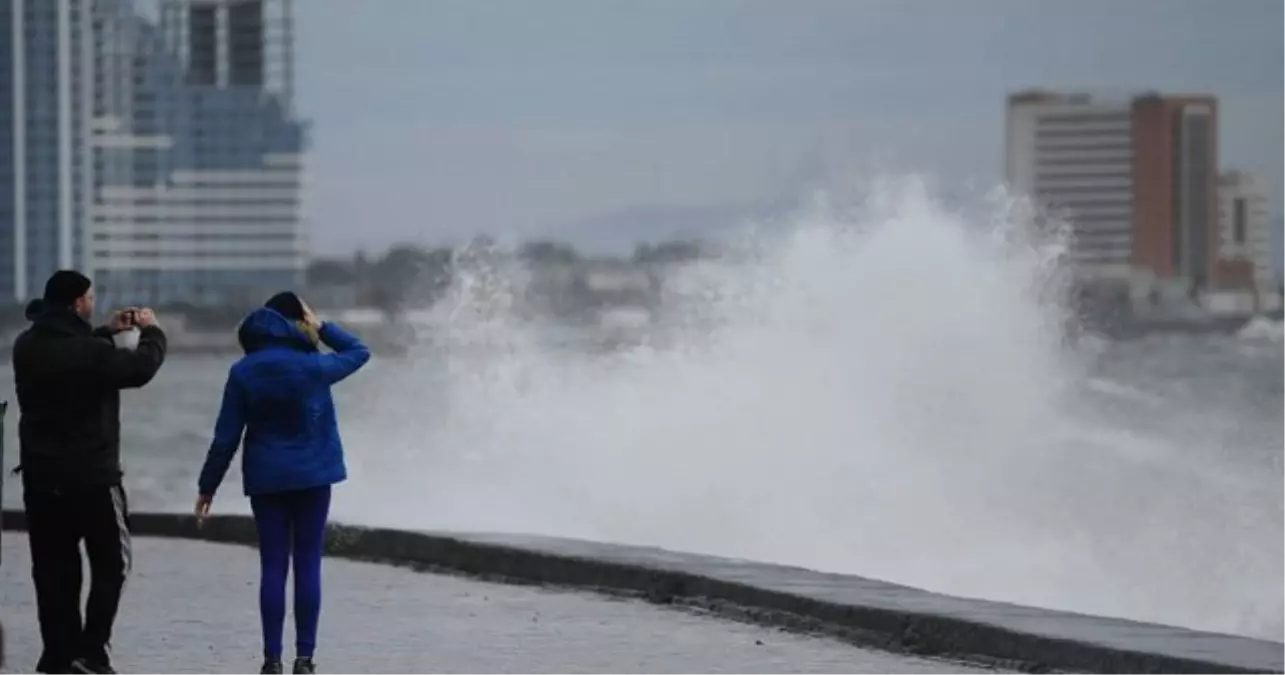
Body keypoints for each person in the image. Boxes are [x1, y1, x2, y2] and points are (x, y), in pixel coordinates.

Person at [194, 292, 370, 675]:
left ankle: (271, 661)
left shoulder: (243, 371)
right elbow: (359, 351)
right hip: (313, 476)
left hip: (267, 478)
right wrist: (322, 326)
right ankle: (304, 660)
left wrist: (207, 486)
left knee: (273, 566)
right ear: (295, 323)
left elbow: (226, 437)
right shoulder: (313, 365)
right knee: (308, 564)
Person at [11, 270, 168, 675]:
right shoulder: (89, 353)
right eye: (91, 298)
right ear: (79, 302)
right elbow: (138, 369)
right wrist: (153, 333)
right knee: (112, 564)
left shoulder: (26, 346)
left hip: (43, 479)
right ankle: (92, 652)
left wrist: (103, 331)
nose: (93, 303)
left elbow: (69, 353)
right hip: (93, 478)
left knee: (53, 570)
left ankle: (59, 656)